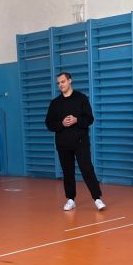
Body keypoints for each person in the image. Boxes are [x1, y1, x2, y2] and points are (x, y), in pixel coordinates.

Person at [44, 72, 106, 211]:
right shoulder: (55, 103)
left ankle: (97, 198)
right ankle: (70, 199)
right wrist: (61, 124)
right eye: (58, 83)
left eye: (63, 81)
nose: (60, 85)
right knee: (68, 172)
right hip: (63, 144)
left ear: (70, 81)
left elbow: (90, 119)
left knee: (87, 169)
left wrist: (77, 120)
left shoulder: (81, 98)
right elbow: (49, 123)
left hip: (80, 142)